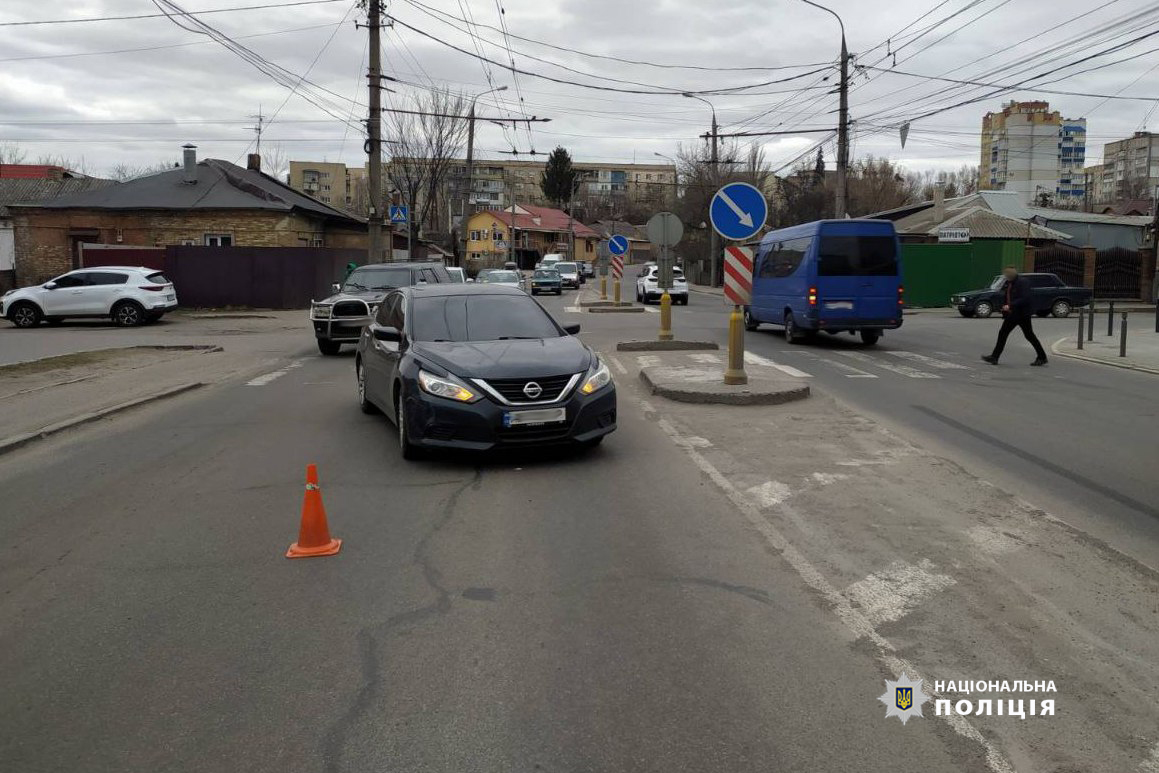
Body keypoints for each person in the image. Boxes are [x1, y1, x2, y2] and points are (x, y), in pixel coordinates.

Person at [982, 266, 1048, 366]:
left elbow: (1025, 298)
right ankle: (1042, 357)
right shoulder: (1010, 283)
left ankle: (995, 357)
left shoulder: (1022, 282)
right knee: (1026, 335)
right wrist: (1004, 308)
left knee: (1009, 333)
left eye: (1007, 274)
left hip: (1021, 313)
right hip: (1014, 313)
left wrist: (1010, 305)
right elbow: (1007, 296)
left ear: (1012, 274)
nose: (1006, 276)